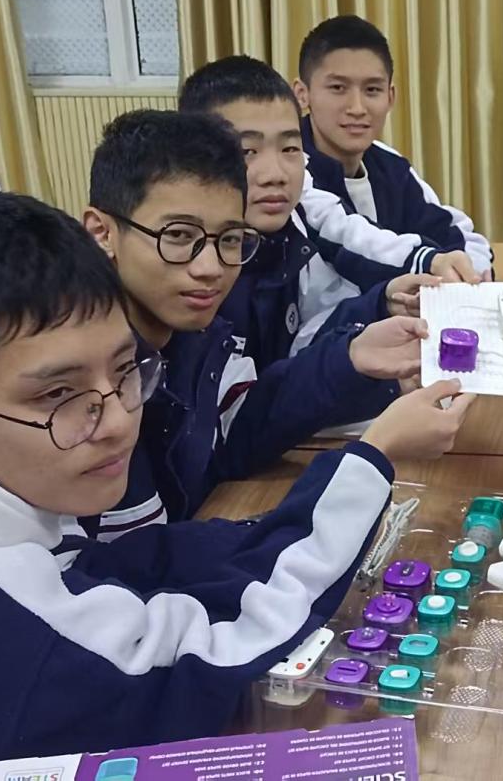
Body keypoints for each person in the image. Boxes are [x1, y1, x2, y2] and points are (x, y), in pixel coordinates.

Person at [0, 192, 475, 778]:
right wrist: (370, 461)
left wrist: (257, 532)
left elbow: (98, 563)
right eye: (58, 394)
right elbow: (215, 657)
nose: (116, 421)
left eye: (125, 370)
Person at [82, 109, 428, 536]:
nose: (210, 268)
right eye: (178, 236)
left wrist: (352, 358)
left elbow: (239, 433)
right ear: (102, 232)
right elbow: (125, 558)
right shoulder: (83, 379)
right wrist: (369, 457)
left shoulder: (197, 336)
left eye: (230, 239)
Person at [178, 55, 437, 366]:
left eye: (290, 149)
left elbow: (305, 342)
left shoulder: (289, 237)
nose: (275, 174)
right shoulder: (190, 275)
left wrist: (382, 305)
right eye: (247, 151)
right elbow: (244, 396)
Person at [292, 15, 493, 279]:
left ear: (390, 97)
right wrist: (429, 261)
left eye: (372, 90)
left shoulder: (389, 163)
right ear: (302, 94)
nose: (357, 108)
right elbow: (346, 233)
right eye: (338, 88)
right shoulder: (289, 166)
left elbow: (455, 231)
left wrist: (473, 272)